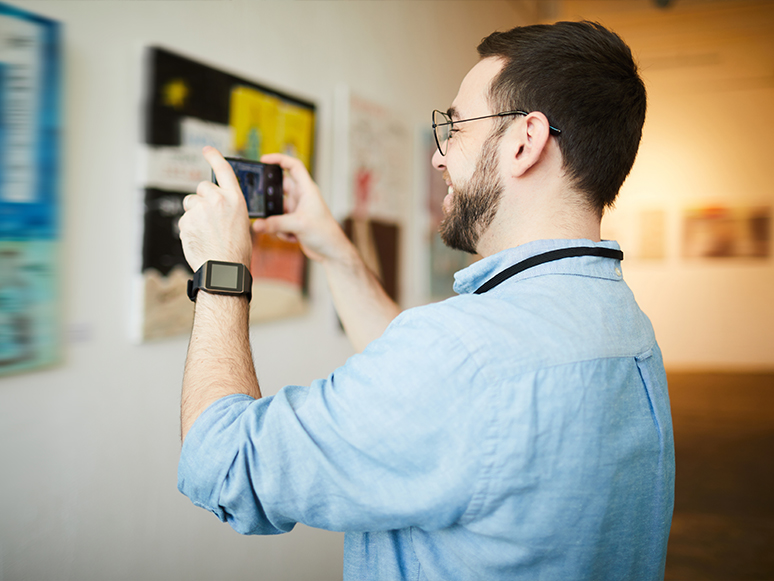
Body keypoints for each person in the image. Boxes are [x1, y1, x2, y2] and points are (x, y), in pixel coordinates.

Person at [177, 20, 675, 581]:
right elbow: (425, 391)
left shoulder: (462, 356)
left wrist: (222, 270)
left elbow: (219, 462)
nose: (439, 158)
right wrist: (333, 247)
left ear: (525, 141)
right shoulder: (623, 324)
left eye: (455, 127)